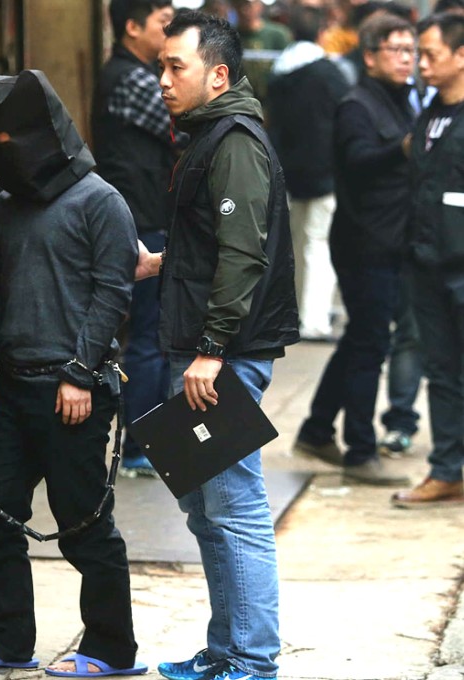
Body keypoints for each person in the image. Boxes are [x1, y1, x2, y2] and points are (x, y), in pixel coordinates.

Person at [0, 69, 146, 677]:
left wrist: (81, 374)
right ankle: (7, 640)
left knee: (84, 527)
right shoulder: (6, 205)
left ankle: (110, 648)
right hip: (7, 387)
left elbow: (113, 294)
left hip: (72, 392)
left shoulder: (102, 201)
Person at [154, 10, 298, 680]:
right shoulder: (207, 135)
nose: (162, 79)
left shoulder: (234, 140)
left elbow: (244, 254)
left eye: (174, 66)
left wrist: (212, 347)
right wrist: (160, 262)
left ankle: (254, 661)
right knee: (207, 510)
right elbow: (215, 239)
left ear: (217, 74)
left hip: (226, 356)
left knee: (235, 510)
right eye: (160, 65)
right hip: (204, 349)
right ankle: (227, 650)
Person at [291, 13, 416, 486]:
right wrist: (402, 148)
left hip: (395, 240)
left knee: (361, 339)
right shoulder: (357, 105)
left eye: (412, 51)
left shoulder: (403, 101)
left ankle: (317, 429)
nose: (407, 59)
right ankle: (361, 451)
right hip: (365, 242)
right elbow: (359, 162)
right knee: (370, 345)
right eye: (397, 50)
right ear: (370, 56)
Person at [92, 0, 175, 477]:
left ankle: (148, 443)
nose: (168, 33)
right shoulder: (132, 78)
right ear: (131, 27)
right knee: (148, 337)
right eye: (163, 24)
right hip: (140, 218)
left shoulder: (136, 72)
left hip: (143, 213)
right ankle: (142, 446)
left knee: (152, 335)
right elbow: (179, 128)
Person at [392, 12, 464, 508]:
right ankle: (447, 469)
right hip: (426, 263)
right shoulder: (432, 112)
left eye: (431, 55)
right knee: (441, 371)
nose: (421, 65)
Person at [268, 6, 349, 342]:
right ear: (321, 33)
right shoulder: (329, 74)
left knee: (299, 245)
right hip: (325, 173)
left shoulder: (278, 71)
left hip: (289, 170)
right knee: (319, 246)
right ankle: (314, 320)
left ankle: (300, 313)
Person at [232, 0, 291, 107]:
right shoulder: (230, 36)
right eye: (239, 4)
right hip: (240, 105)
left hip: (273, 103)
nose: (244, 10)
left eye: (248, 4)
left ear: (259, 5)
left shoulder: (277, 35)